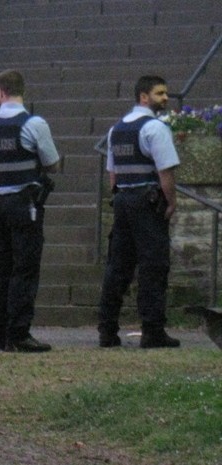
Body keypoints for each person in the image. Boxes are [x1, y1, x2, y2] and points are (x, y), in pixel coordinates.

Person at [98, 75, 181, 349]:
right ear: (144, 97)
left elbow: (112, 174)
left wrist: (120, 197)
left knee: (118, 267)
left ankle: (107, 330)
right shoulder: (155, 128)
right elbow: (165, 171)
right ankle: (153, 331)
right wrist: (171, 202)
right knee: (154, 266)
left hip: (123, 201)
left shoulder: (117, 129)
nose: (165, 98)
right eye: (160, 93)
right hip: (147, 202)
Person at [0, 70, 61, 352]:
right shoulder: (34, 124)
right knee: (25, 268)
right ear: (21, 91)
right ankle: (19, 333)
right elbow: (52, 164)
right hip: (24, 205)